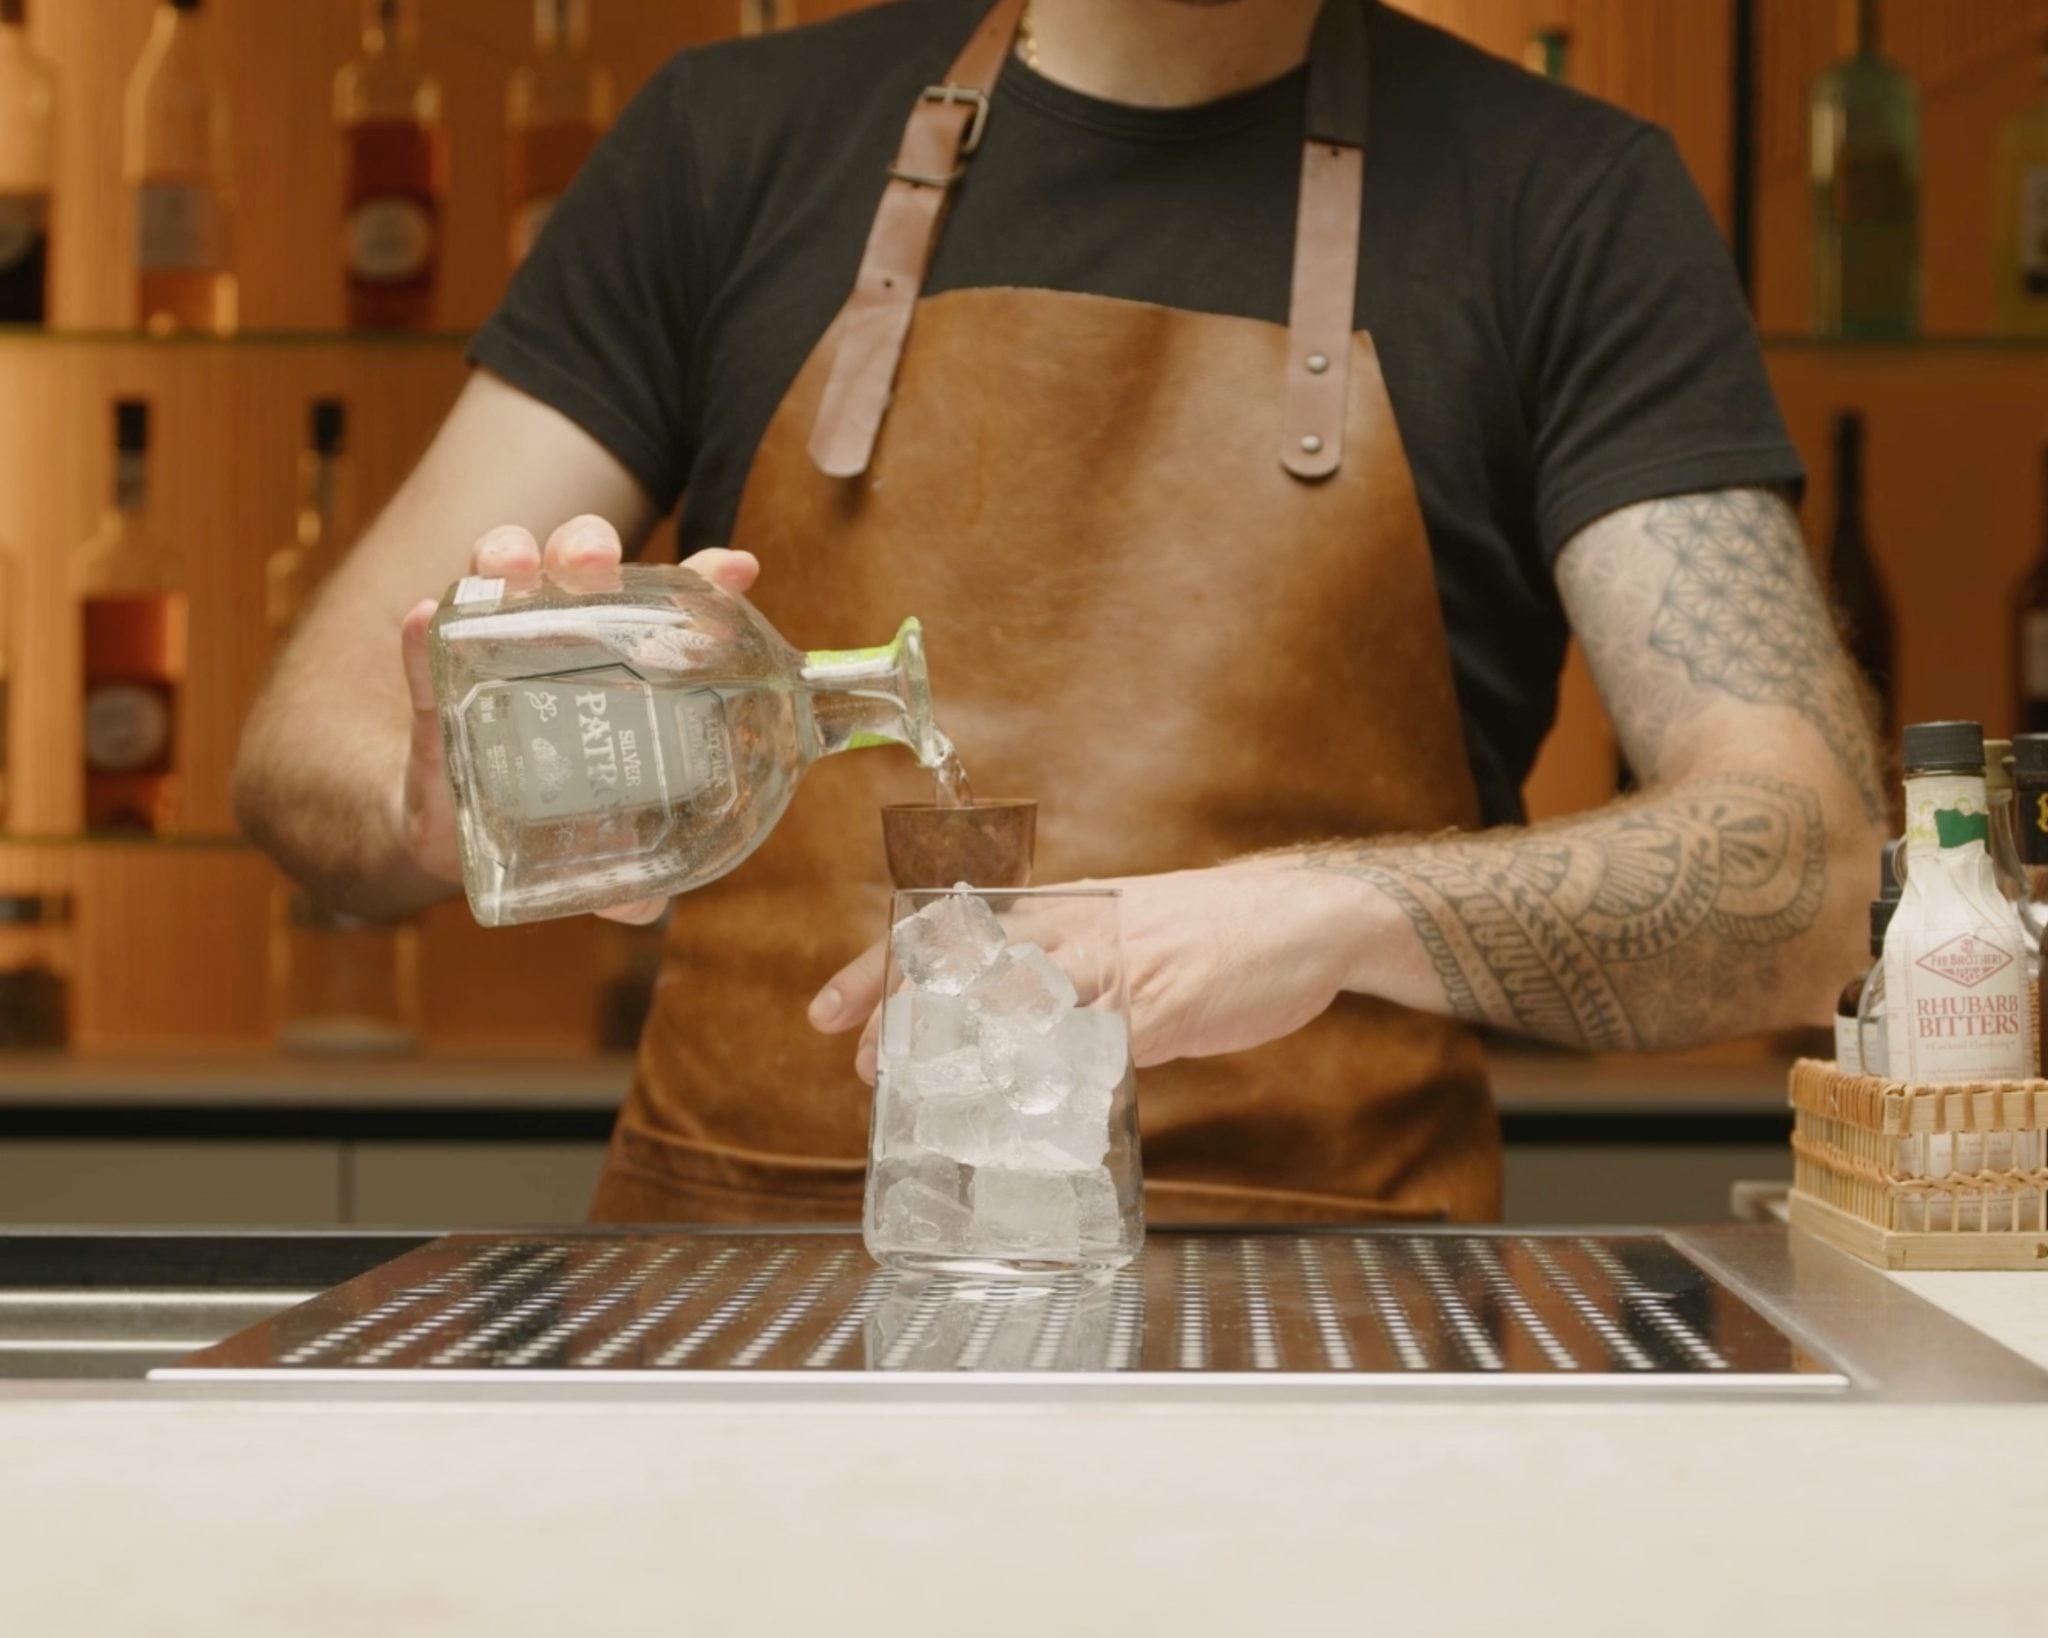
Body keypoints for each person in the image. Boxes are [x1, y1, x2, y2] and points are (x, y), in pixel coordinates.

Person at [235, 0, 1884, 1225]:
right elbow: (310, 746)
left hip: (1330, 1331)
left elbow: (1807, 875)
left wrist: (1312, 911)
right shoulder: (723, 146)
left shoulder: (1568, 205)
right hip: (732, 1312)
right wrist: (433, 799)